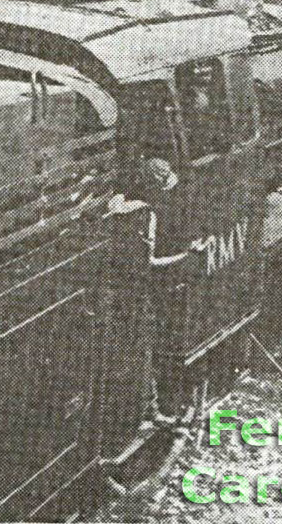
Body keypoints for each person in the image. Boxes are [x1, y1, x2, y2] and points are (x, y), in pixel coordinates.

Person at [107, 157, 196, 423]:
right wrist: (185, 257)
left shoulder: (116, 203)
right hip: (135, 292)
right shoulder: (146, 215)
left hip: (111, 286)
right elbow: (151, 262)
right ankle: (150, 408)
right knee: (145, 346)